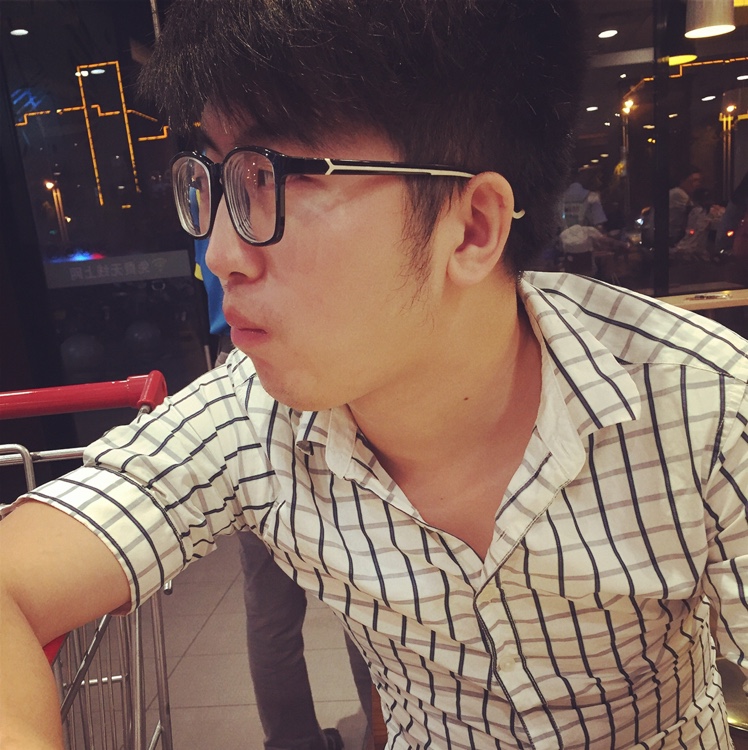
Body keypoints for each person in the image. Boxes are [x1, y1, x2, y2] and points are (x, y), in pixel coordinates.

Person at [2, 3, 747, 750]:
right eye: (221, 179)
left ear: (472, 228)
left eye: (275, 178)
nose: (221, 254)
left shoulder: (705, 405)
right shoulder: (250, 416)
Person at [195, 237, 369, 749]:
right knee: (367, 582)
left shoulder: (216, 224)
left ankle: (293, 742)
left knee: (270, 609)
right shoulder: (289, 216)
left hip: (243, 362)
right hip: (330, 364)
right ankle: (383, 731)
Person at [668, 166, 703, 246]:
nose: (697, 184)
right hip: (672, 237)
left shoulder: (686, 195)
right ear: (683, 180)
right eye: (694, 181)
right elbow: (697, 211)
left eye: (699, 181)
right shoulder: (677, 193)